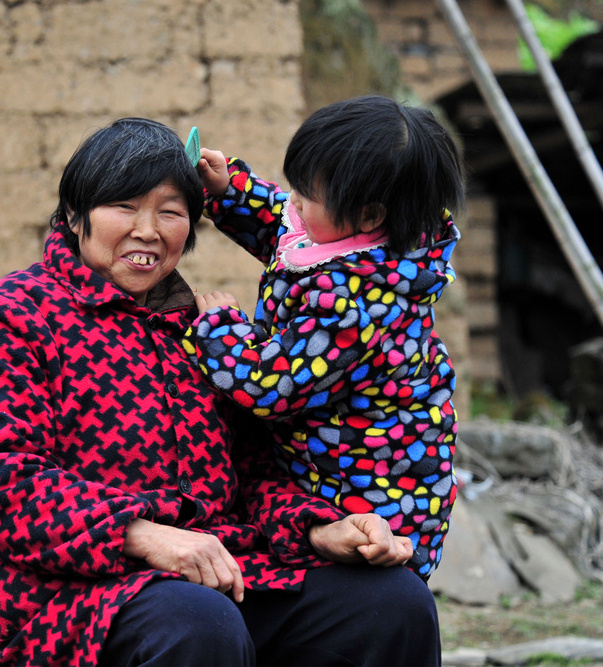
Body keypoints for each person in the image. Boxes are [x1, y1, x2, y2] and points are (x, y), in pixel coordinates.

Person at [0, 117, 441, 666]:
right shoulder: (10, 315)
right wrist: (144, 535)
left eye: (171, 211)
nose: (148, 230)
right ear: (75, 214)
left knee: (392, 602)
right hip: (60, 595)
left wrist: (318, 527)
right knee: (198, 621)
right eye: (124, 206)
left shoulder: (200, 330)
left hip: (215, 572)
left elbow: (252, 466)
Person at [186, 95, 464, 579]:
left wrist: (220, 331)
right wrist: (231, 190)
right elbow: (285, 227)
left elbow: (272, 386)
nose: (293, 200)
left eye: (307, 194)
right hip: (335, 456)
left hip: (373, 491)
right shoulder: (352, 238)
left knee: (349, 586)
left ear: (370, 215)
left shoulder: (357, 305)